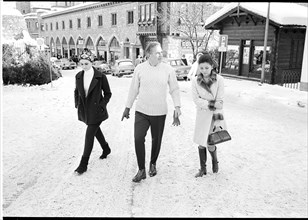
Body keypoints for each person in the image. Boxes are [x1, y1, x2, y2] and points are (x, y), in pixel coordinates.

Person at [121, 41, 182, 183]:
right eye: (157, 52)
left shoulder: (168, 69)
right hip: (142, 110)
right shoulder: (140, 69)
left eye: (161, 52)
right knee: (138, 139)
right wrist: (127, 107)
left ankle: (153, 164)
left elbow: (174, 89)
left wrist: (177, 106)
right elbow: (133, 89)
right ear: (148, 54)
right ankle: (141, 169)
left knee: (156, 140)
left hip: (159, 112)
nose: (160, 55)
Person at [74, 49, 112, 175]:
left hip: (96, 111)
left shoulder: (101, 76)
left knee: (89, 134)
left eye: (86, 64)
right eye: (82, 64)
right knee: (96, 131)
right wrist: (76, 104)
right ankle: (106, 148)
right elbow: (76, 91)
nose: (84, 66)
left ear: (92, 63)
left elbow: (108, 93)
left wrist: (102, 105)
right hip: (85, 110)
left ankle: (83, 163)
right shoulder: (78, 76)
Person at [191, 53, 226, 178]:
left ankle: (215, 161)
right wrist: (212, 103)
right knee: (201, 142)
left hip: (215, 116)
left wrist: (212, 105)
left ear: (212, 66)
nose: (204, 71)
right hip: (202, 115)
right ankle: (202, 169)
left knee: (211, 142)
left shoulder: (219, 80)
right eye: (201, 68)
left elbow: (220, 102)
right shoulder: (195, 81)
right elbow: (196, 100)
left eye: (206, 68)